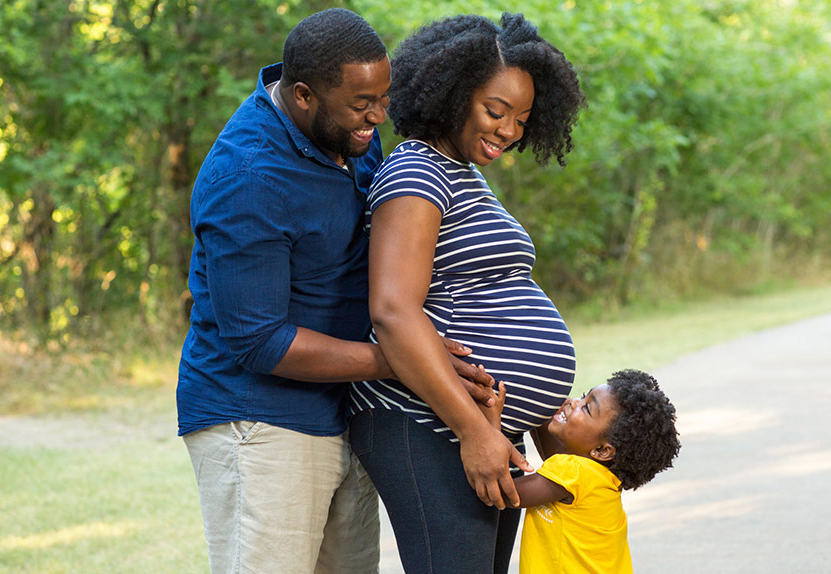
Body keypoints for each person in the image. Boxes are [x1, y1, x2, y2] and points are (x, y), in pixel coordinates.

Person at [176, 9, 493, 574]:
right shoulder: (248, 177)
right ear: (303, 95)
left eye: (384, 96)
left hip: (344, 409)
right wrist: (400, 358)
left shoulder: (349, 132)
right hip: (259, 421)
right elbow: (260, 342)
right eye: (361, 103)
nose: (378, 116)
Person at [348, 12, 586, 574]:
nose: (508, 130)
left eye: (522, 118)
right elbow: (393, 311)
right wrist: (474, 431)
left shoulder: (461, 174)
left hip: (478, 427)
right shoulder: (417, 172)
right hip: (428, 423)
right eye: (495, 111)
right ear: (452, 95)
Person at [480, 370, 680, 574]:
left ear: (602, 451)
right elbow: (553, 456)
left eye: (587, 408)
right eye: (584, 395)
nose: (574, 402)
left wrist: (491, 427)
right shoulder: (598, 478)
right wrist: (540, 407)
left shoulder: (574, 473)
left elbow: (501, 490)